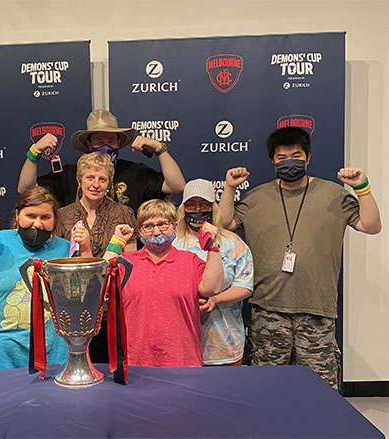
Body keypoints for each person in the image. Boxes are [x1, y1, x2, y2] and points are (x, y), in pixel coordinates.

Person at [219, 126, 381, 388]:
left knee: (321, 389)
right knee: (266, 387)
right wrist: (229, 188)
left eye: (295, 155)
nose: (289, 162)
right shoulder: (257, 197)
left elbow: (371, 226)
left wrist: (362, 187)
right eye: (281, 158)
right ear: (272, 160)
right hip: (268, 308)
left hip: (316, 309)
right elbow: (225, 223)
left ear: (308, 157)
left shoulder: (333, 195)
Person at [0, 186, 92, 372]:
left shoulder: (66, 250)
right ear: (17, 215)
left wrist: (85, 250)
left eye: (45, 217)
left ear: (55, 220)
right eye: (31, 216)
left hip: (50, 357)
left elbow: (86, 298)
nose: (37, 224)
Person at [105, 199, 224, 367]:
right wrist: (116, 242)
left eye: (163, 224)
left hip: (184, 361)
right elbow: (102, 282)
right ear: (139, 230)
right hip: (135, 362)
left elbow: (212, 288)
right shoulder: (126, 262)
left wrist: (213, 246)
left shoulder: (189, 261)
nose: (156, 231)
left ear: (175, 226)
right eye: (148, 226)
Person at [17, 109, 186, 212]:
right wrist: (34, 152)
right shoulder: (70, 174)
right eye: (99, 141)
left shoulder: (135, 172)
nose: (105, 147)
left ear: (119, 142)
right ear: (89, 144)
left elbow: (177, 186)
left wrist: (159, 148)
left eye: (111, 141)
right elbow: (26, 189)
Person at [54, 152, 136, 363]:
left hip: (113, 304)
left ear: (110, 182)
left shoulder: (124, 212)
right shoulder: (62, 215)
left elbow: (130, 261)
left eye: (102, 179)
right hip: (72, 302)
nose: (96, 184)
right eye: (90, 177)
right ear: (79, 180)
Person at [173, 179, 253, 366]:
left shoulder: (233, 242)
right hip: (179, 344)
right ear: (183, 209)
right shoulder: (172, 244)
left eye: (204, 204)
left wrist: (215, 300)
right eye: (191, 205)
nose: (197, 209)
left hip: (225, 344)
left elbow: (245, 285)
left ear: (213, 207)